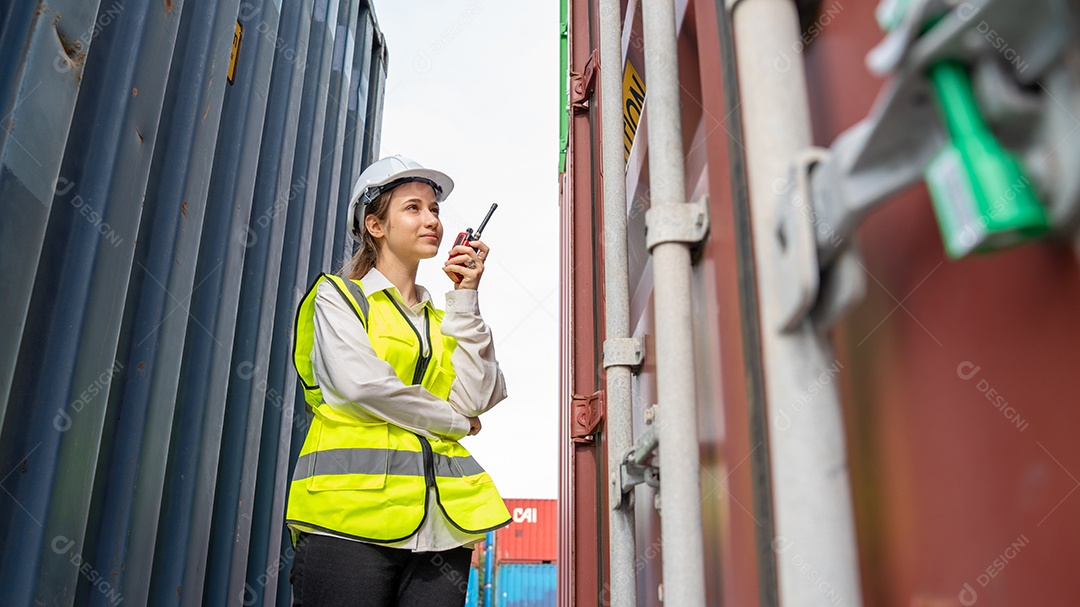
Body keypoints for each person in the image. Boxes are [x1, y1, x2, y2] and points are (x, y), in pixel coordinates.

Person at [286, 155, 511, 606]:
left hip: (441, 529)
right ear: (375, 225)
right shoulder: (339, 297)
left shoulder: (444, 320)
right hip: (348, 520)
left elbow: (479, 396)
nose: (432, 220)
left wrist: (465, 298)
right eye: (414, 208)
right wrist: (454, 422)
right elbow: (363, 386)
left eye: (435, 210)